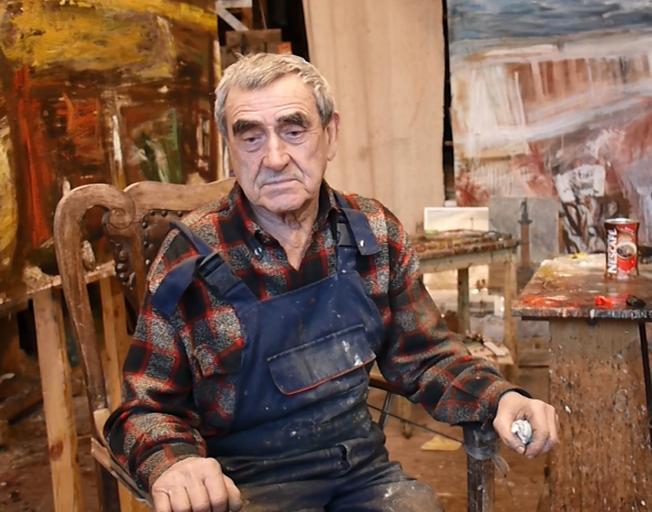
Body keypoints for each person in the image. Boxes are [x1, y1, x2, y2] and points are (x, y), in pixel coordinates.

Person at [105, 52, 558, 512]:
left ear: (331, 134)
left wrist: (500, 397)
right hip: (243, 485)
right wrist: (175, 463)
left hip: (362, 474)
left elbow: (425, 357)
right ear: (229, 146)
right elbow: (145, 408)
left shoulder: (374, 234)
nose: (275, 158)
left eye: (294, 130)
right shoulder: (190, 258)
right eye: (251, 136)